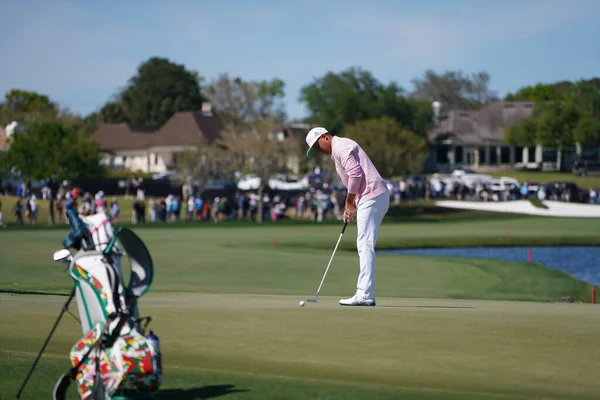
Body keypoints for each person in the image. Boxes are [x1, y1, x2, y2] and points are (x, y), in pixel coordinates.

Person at [305, 127, 389, 307]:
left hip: (372, 195)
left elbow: (356, 174)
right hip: (370, 196)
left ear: (324, 137)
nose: (319, 151)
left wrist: (349, 202)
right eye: (315, 150)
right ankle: (365, 293)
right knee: (365, 243)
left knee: (365, 243)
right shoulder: (337, 151)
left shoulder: (342, 147)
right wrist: (352, 205)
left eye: (317, 146)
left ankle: (365, 294)